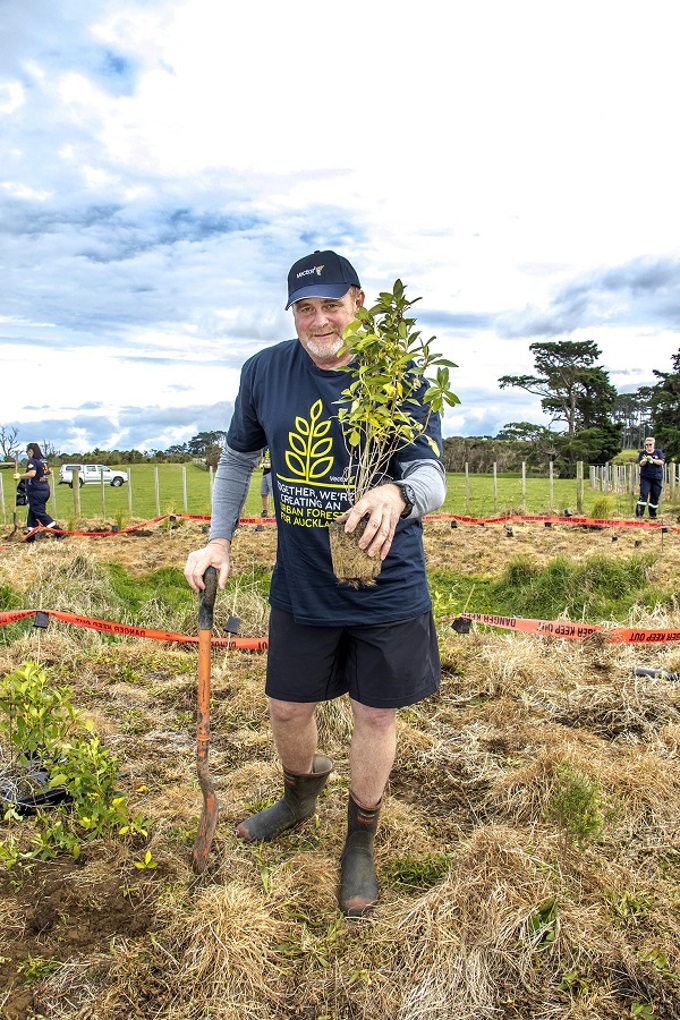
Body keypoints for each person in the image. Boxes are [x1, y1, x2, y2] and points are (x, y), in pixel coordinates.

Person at [184, 249, 446, 918]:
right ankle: (300, 796)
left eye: (332, 304)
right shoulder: (265, 372)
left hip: (384, 582)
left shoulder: (398, 375)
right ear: (293, 313)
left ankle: (361, 838)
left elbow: (432, 476)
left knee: (374, 713)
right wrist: (219, 538)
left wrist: (395, 495)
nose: (320, 319)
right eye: (306, 307)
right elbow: (237, 460)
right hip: (301, 580)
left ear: (358, 302)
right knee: (287, 709)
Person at [14, 443, 63, 540]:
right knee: (32, 513)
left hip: (36, 491)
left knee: (40, 513)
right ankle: (31, 536)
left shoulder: (32, 461)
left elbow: (32, 473)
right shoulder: (43, 460)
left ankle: (58, 531)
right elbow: (48, 471)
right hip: (45, 489)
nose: (27, 454)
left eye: (27, 452)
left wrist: (19, 476)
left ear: (31, 451)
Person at [636, 437, 665, 519]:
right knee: (644, 494)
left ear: (653, 444)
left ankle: (652, 514)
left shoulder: (658, 452)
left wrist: (652, 460)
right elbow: (641, 463)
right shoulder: (643, 453)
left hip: (657, 477)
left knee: (655, 496)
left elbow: (661, 462)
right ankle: (640, 513)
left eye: (650, 445)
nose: (648, 446)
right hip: (646, 477)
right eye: (646, 445)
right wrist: (645, 461)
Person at [260, 449, 273, 516]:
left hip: (272, 472)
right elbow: (263, 457)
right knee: (263, 493)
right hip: (265, 472)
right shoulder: (264, 447)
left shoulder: (273, 444)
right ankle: (265, 511)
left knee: (274, 493)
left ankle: (278, 512)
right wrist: (261, 463)